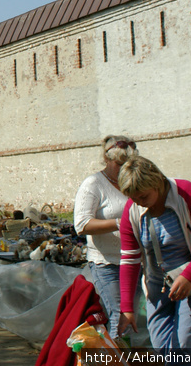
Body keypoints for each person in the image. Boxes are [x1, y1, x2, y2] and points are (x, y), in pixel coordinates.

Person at [117, 156, 191, 349]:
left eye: (143, 197)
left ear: (157, 183)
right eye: (133, 198)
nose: (139, 203)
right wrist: (127, 308)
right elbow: (130, 259)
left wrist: (189, 276)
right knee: (162, 348)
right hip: (158, 285)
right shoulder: (132, 210)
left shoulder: (185, 192)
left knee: (185, 349)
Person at [73, 135, 138, 338]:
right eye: (119, 163)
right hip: (107, 263)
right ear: (106, 158)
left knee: (137, 317)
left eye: (127, 163)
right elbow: (82, 225)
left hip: (135, 261)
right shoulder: (93, 184)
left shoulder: (132, 181)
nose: (122, 168)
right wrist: (119, 223)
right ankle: (114, 358)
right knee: (119, 317)